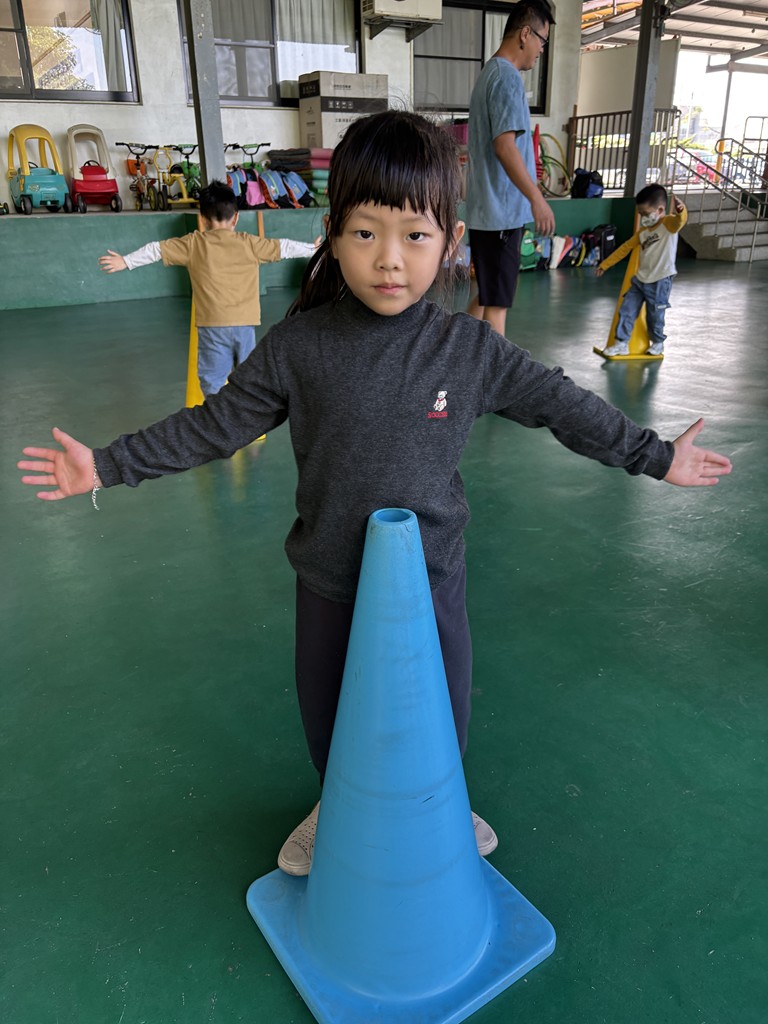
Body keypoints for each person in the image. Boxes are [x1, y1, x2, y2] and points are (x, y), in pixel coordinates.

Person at [19, 111, 731, 878]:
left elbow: (565, 405)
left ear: (450, 241)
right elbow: (215, 426)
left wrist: (655, 456)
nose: (390, 259)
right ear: (332, 234)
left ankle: (442, 798)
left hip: (432, 577)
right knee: (330, 713)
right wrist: (108, 464)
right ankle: (338, 803)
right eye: (365, 233)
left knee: (441, 707)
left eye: (415, 235)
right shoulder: (299, 347)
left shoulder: (469, 350)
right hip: (330, 576)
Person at [99, 180, 317, 396]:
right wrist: (312, 249)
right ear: (236, 217)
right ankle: (247, 414)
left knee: (213, 383)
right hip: (245, 325)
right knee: (249, 380)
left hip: (212, 326)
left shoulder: (193, 244)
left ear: (202, 218)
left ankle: (219, 417)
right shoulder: (249, 243)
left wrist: (126, 261)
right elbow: (284, 247)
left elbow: (155, 250)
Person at [465, 0, 556, 337]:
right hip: (501, 216)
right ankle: (492, 372)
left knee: (488, 295)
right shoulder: (507, 78)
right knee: (497, 307)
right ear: (525, 34)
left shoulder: (490, 73)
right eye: (542, 41)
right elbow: (504, 146)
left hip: (488, 214)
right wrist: (536, 198)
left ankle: (453, 352)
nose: (541, 50)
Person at [597, 184, 688, 357]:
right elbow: (625, 248)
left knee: (655, 315)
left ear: (660, 210)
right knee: (626, 309)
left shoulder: (669, 224)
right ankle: (621, 343)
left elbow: (680, 221)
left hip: (660, 280)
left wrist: (681, 210)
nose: (643, 217)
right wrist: (605, 264)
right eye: (640, 214)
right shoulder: (643, 232)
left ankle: (658, 342)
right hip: (640, 280)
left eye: (646, 213)